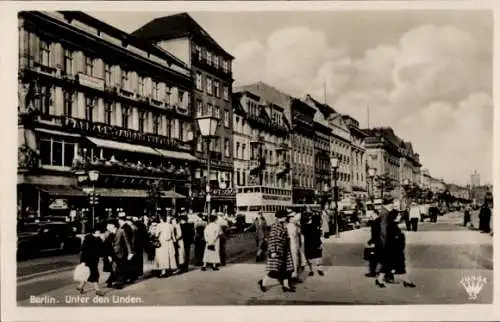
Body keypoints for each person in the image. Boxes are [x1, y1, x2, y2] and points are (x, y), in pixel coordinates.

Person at [368, 201, 415, 288]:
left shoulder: (386, 221)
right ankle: (406, 281)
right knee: (397, 264)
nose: (399, 217)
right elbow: (390, 236)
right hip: (392, 248)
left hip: (389, 247)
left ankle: (380, 280)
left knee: (388, 264)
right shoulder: (390, 223)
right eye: (398, 216)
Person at [258, 209, 295, 293]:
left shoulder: (283, 225)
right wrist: (273, 251)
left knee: (287, 269)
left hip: (285, 250)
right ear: (281, 217)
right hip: (277, 251)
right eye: (285, 216)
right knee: (274, 270)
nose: (286, 218)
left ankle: (286, 286)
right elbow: (272, 240)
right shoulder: (275, 226)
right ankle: (263, 283)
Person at [77, 226, 105, 296]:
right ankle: (97, 290)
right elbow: (84, 251)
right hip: (90, 260)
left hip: (90, 260)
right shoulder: (92, 239)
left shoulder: (94, 239)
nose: (100, 233)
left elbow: (101, 249)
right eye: (99, 232)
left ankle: (80, 286)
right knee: (95, 274)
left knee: (87, 274)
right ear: (96, 232)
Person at [107, 219, 133, 289]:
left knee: (119, 268)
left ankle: (119, 283)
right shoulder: (107, 233)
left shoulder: (121, 231)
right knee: (113, 268)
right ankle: (111, 281)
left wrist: (130, 252)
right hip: (111, 253)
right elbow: (107, 245)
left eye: (108, 225)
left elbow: (127, 242)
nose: (107, 226)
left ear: (113, 225)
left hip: (119, 252)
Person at [154, 213, 178, 277]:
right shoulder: (170, 225)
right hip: (169, 242)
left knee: (162, 257)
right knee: (169, 256)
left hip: (162, 242)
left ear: (161, 219)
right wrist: (175, 242)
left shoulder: (159, 225)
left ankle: (163, 271)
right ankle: (168, 270)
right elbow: (173, 236)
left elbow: (156, 235)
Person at [303, 210, 324, 276]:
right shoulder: (317, 227)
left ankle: (311, 270)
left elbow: (302, 232)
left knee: (309, 257)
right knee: (318, 256)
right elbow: (320, 236)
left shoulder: (306, 226)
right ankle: (319, 269)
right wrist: (321, 244)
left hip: (308, 244)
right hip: (316, 243)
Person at [286, 211, 306, 282]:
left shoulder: (294, 225)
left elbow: (300, 233)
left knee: (297, 261)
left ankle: (295, 276)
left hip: (296, 245)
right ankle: (293, 277)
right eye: (293, 217)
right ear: (290, 218)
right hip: (292, 246)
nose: (295, 218)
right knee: (294, 261)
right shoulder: (290, 226)